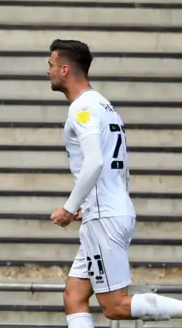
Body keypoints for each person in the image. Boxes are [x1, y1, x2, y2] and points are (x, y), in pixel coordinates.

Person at [48, 39, 182, 328]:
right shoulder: (104, 105)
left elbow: (95, 161)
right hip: (109, 209)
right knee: (74, 295)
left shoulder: (81, 108)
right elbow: (115, 163)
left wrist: (70, 207)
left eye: (51, 66)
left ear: (65, 70)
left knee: (115, 305)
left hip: (104, 217)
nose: (48, 71)